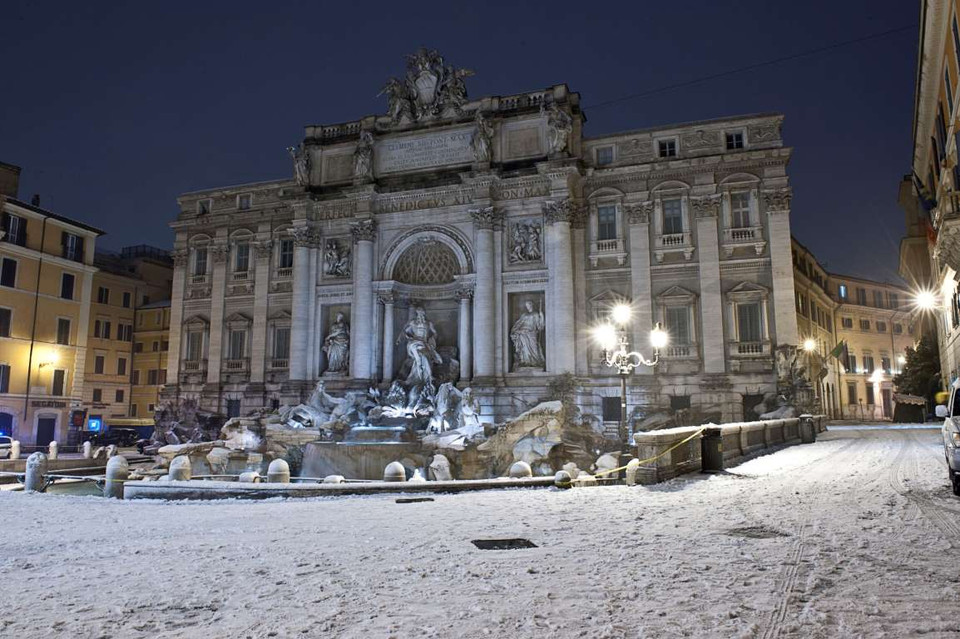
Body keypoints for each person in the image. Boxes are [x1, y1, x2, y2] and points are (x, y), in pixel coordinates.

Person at [398, 307, 442, 387]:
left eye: (422, 313)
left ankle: (420, 374)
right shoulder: (413, 323)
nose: (420, 315)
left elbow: (435, 333)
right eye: (419, 313)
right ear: (417, 314)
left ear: (424, 314)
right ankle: (428, 375)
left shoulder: (429, 323)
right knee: (419, 354)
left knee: (424, 356)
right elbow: (404, 332)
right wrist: (403, 338)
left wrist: (432, 339)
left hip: (424, 343)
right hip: (414, 343)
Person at [510, 300, 545, 369]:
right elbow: (519, 323)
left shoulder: (535, 314)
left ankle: (535, 362)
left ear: (532, 305)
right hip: (523, 333)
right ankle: (525, 361)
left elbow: (539, 326)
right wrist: (516, 330)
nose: (527, 307)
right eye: (526, 305)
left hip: (532, 333)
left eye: (529, 305)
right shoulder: (524, 315)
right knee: (524, 348)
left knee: (534, 347)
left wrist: (542, 316)